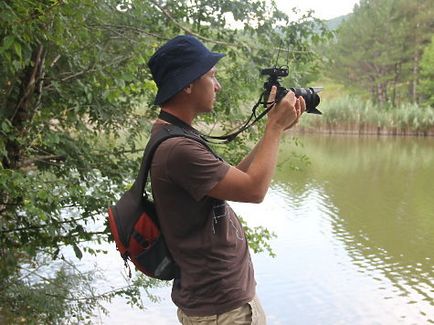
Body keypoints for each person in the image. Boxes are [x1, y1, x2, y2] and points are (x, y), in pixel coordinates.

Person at [147, 35, 305, 325]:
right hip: (222, 310)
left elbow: (239, 179)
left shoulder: (175, 136)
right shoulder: (178, 149)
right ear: (188, 84)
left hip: (221, 303)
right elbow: (255, 190)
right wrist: (274, 127)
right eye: (212, 76)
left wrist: (276, 130)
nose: (217, 85)